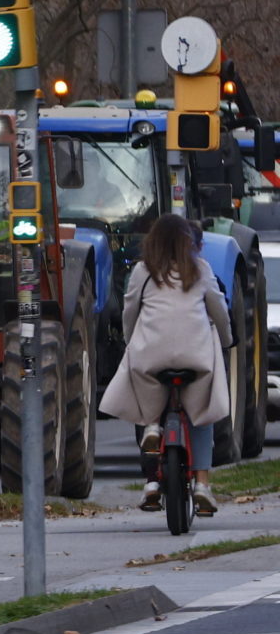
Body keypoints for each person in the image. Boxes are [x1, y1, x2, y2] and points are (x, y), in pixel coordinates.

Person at [101, 214, 233, 515]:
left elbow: (130, 311)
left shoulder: (142, 271)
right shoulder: (200, 268)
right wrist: (226, 341)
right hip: (195, 359)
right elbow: (219, 311)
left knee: (142, 392)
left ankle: (151, 431)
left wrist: (131, 340)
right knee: (202, 411)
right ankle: (202, 485)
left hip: (151, 357)